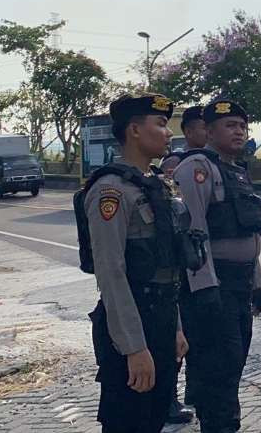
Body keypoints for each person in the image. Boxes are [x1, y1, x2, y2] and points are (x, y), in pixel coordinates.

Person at [81, 94, 190, 433]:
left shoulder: (155, 184)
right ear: (134, 130)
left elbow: (169, 266)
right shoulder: (110, 191)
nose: (168, 132)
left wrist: (175, 327)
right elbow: (111, 273)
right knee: (128, 421)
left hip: (161, 317)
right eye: (159, 124)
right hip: (131, 324)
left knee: (154, 417)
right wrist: (134, 347)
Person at [175, 99, 261, 432]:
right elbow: (192, 233)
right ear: (209, 131)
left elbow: (252, 236)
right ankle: (220, 424)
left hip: (240, 285)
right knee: (221, 365)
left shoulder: (237, 171)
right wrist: (205, 289)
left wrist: (257, 283)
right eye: (230, 125)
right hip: (215, 288)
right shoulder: (197, 167)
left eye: (242, 126)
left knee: (233, 361)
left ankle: (213, 415)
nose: (238, 131)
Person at [162, 104, 207, 425]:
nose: (208, 132)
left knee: (200, 338)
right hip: (183, 265)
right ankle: (168, 397)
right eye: (203, 127)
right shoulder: (176, 165)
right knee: (177, 335)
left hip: (205, 263)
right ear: (189, 131)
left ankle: (194, 391)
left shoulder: (221, 165)